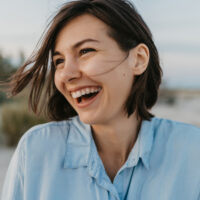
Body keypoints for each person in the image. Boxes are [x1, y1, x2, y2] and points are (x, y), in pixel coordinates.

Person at [1, 0, 200, 199]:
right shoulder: (35, 151)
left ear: (138, 59)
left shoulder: (192, 151)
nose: (66, 74)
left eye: (86, 51)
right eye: (59, 61)